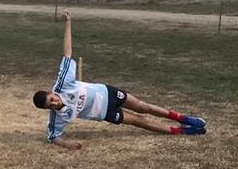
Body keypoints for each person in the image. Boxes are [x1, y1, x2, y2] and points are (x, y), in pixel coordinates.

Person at [32, 12, 206, 150]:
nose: (54, 104)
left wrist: (68, 23)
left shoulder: (63, 84)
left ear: (52, 93)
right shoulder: (57, 117)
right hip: (104, 113)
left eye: (52, 99)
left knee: (144, 107)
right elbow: (53, 137)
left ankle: (183, 119)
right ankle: (182, 131)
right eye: (50, 106)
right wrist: (66, 144)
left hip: (108, 92)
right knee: (140, 121)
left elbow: (67, 52)